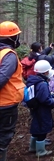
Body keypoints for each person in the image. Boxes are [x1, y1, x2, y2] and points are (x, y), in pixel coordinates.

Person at [0, 21, 25, 161]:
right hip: (6, 103)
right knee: (4, 136)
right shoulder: (8, 55)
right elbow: (2, 78)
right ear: (11, 38)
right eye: (16, 36)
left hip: (4, 102)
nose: (18, 39)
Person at [27, 60, 54, 157]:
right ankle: (40, 151)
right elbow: (44, 99)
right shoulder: (42, 84)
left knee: (36, 126)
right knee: (42, 130)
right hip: (42, 110)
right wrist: (53, 101)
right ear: (45, 72)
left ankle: (32, 147)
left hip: (35, 108)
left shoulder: (33, 81)